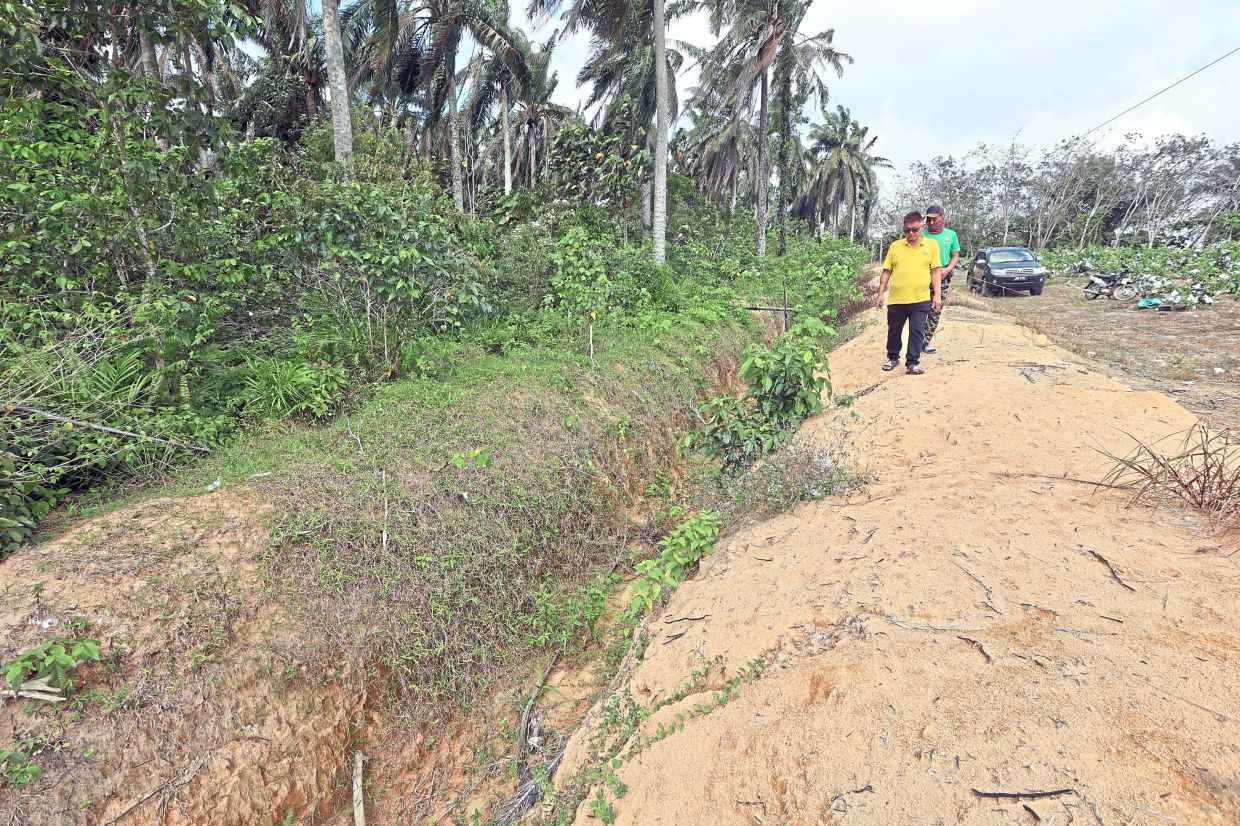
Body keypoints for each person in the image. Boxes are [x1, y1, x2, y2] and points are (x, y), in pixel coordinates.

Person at [877, 212, 942, 375]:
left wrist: (938, 296)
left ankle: (912, 363)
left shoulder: (932, 245)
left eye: (914, 229)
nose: (911, 234)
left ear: (922, 227)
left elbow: (935, 272)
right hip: (896, 299)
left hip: (920, 299)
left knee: (917, 331)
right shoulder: (895, 246)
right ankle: (892, 357)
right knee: (894, 330)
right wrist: (880, 294)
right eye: (907, 230)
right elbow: (886, 271)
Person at [920, 204, 960, 354]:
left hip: (943, 276)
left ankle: (925, 342)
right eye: (928, 220)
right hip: (924, 276)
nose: (931, 223)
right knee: (920, 309)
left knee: (935, 309)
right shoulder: (922, 234)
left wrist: (948, 269)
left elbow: (955, 255)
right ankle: (915, 341)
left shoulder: (951, 235)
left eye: (934, 219)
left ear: (943, 217)